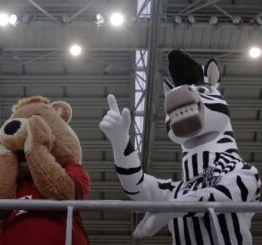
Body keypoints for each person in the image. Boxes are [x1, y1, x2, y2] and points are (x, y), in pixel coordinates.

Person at [99, 50, 260, 244]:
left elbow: (226, 195)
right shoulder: (180, 190)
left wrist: (172, 208)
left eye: (201, 91)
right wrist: (120, 142)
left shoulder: (243, 172)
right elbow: (136, 186)